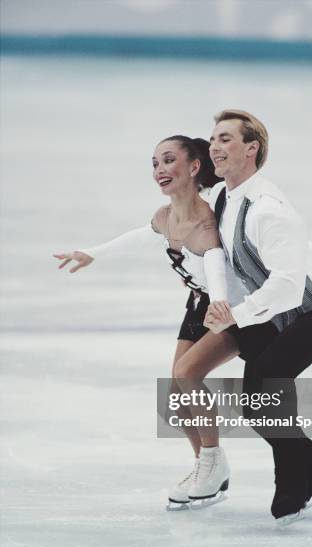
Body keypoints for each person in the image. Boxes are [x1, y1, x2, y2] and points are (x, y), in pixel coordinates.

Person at [53, 135, 239, 509]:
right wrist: (93, 253)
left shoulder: (206, 224)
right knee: (175, 393)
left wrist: (219, 304)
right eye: (154, 163)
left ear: (194, 167)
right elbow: (142, 236)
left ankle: (214, 461)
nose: (159, 170)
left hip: (232, 311)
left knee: (187, 375)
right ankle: (206, 465)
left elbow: (218, 269)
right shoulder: (164, 215)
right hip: (199, 304)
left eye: (168, 160)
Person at [203, 110, 312, 525]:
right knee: (263, 397)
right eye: (213, 138)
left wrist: (236, 314)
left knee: (260, 393)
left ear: (252, 149)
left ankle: (299, 477)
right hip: (275, 313)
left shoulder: (268, 208)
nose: (215, 146)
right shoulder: (223, 196)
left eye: (226, 139)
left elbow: (288, 286)